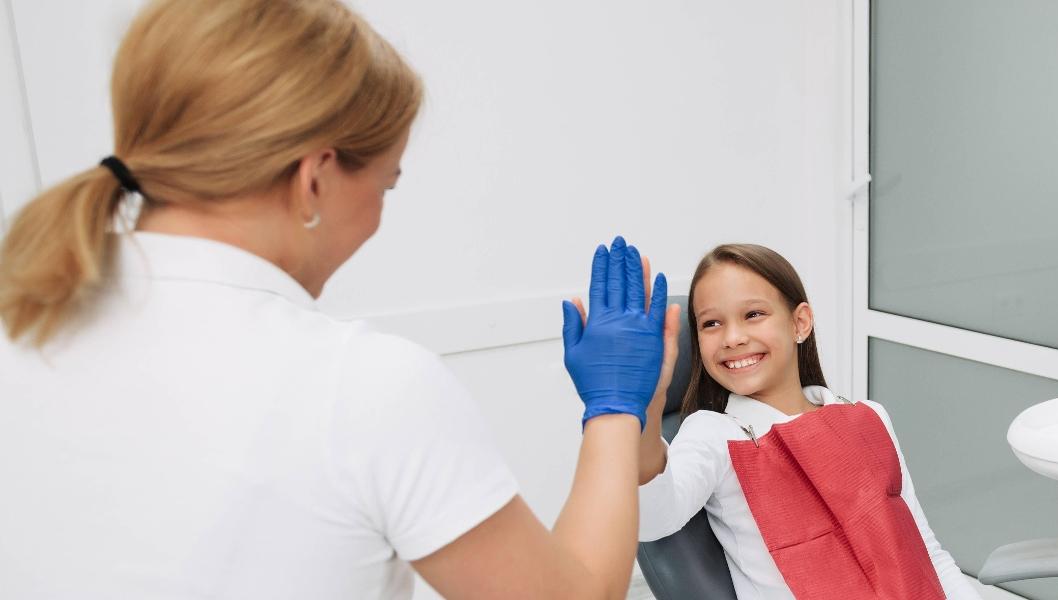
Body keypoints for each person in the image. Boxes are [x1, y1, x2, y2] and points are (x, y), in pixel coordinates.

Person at [0, 1, 669, 598]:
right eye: (385, 185)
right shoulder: (359, 387)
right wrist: (615, 408)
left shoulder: (22, 328)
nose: (379, 214)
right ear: (315, 179)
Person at [633, 243, 981, 599]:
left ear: (800, 322)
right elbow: (652, 520)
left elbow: (927, 553)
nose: (733, 338)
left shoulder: (869, 418)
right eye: (711, 323)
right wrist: (648, 407)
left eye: (753, 314)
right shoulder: (715, 433)